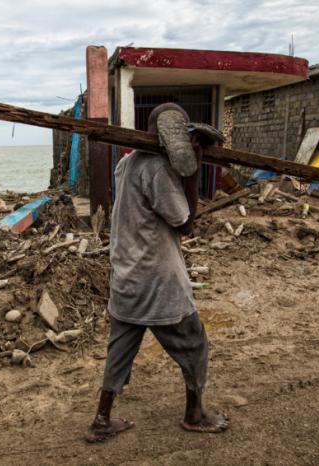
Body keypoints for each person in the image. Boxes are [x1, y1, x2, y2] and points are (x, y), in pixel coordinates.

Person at [85, 103, 230, 443]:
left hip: (126, 275)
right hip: (158, 279)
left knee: (119, 350)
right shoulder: (158, 170)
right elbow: (186, 222)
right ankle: (194, 414)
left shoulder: (126, 163)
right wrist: (192, 172)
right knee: (194, 344)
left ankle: (102, 420)